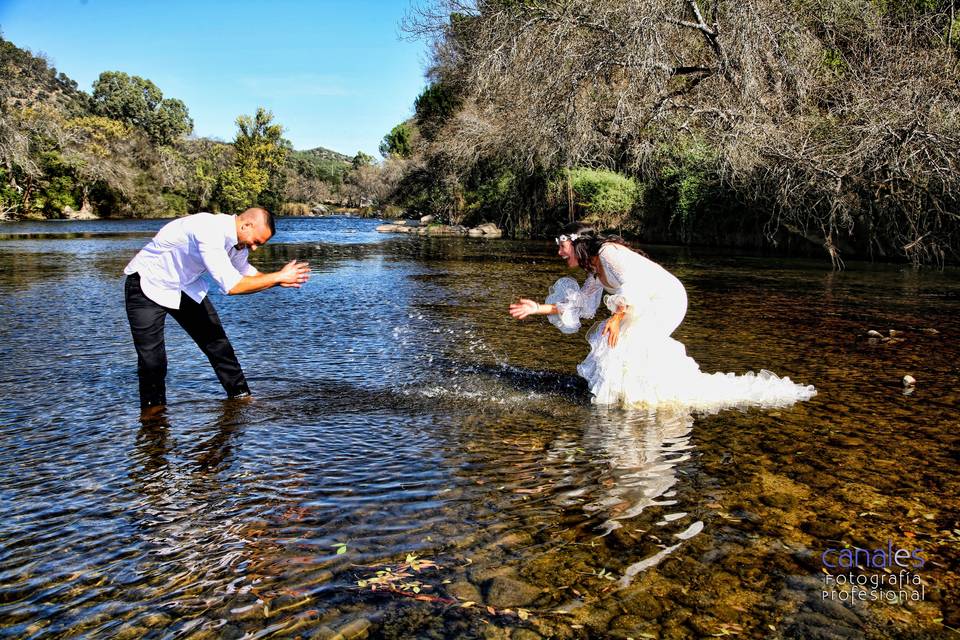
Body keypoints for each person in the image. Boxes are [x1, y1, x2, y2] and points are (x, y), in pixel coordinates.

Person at [509, 222, 816, 411]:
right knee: (615, 343)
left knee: (625, 340)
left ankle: (652, 397)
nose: (559, 253)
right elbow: (581, 307)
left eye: (561, 246)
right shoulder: (594, 271)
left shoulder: (608, 254)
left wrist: (616, 318)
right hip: (639, 303)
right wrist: (539, 308)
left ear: (575, 243)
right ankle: (634, 397)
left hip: (665, 299)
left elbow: (634, 286)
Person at [124, 207, 310, 411]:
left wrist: (278, 279)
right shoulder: (208, 229)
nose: (255, 248)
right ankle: (153, 415)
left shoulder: (237, 243)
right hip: (146, 285)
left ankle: (242, 399)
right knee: (153, 362)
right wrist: (277, 277)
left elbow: (246, 272)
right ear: (246, 225)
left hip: (183, 286)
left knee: (218, 345)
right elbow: (231, 285)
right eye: (256, 242)